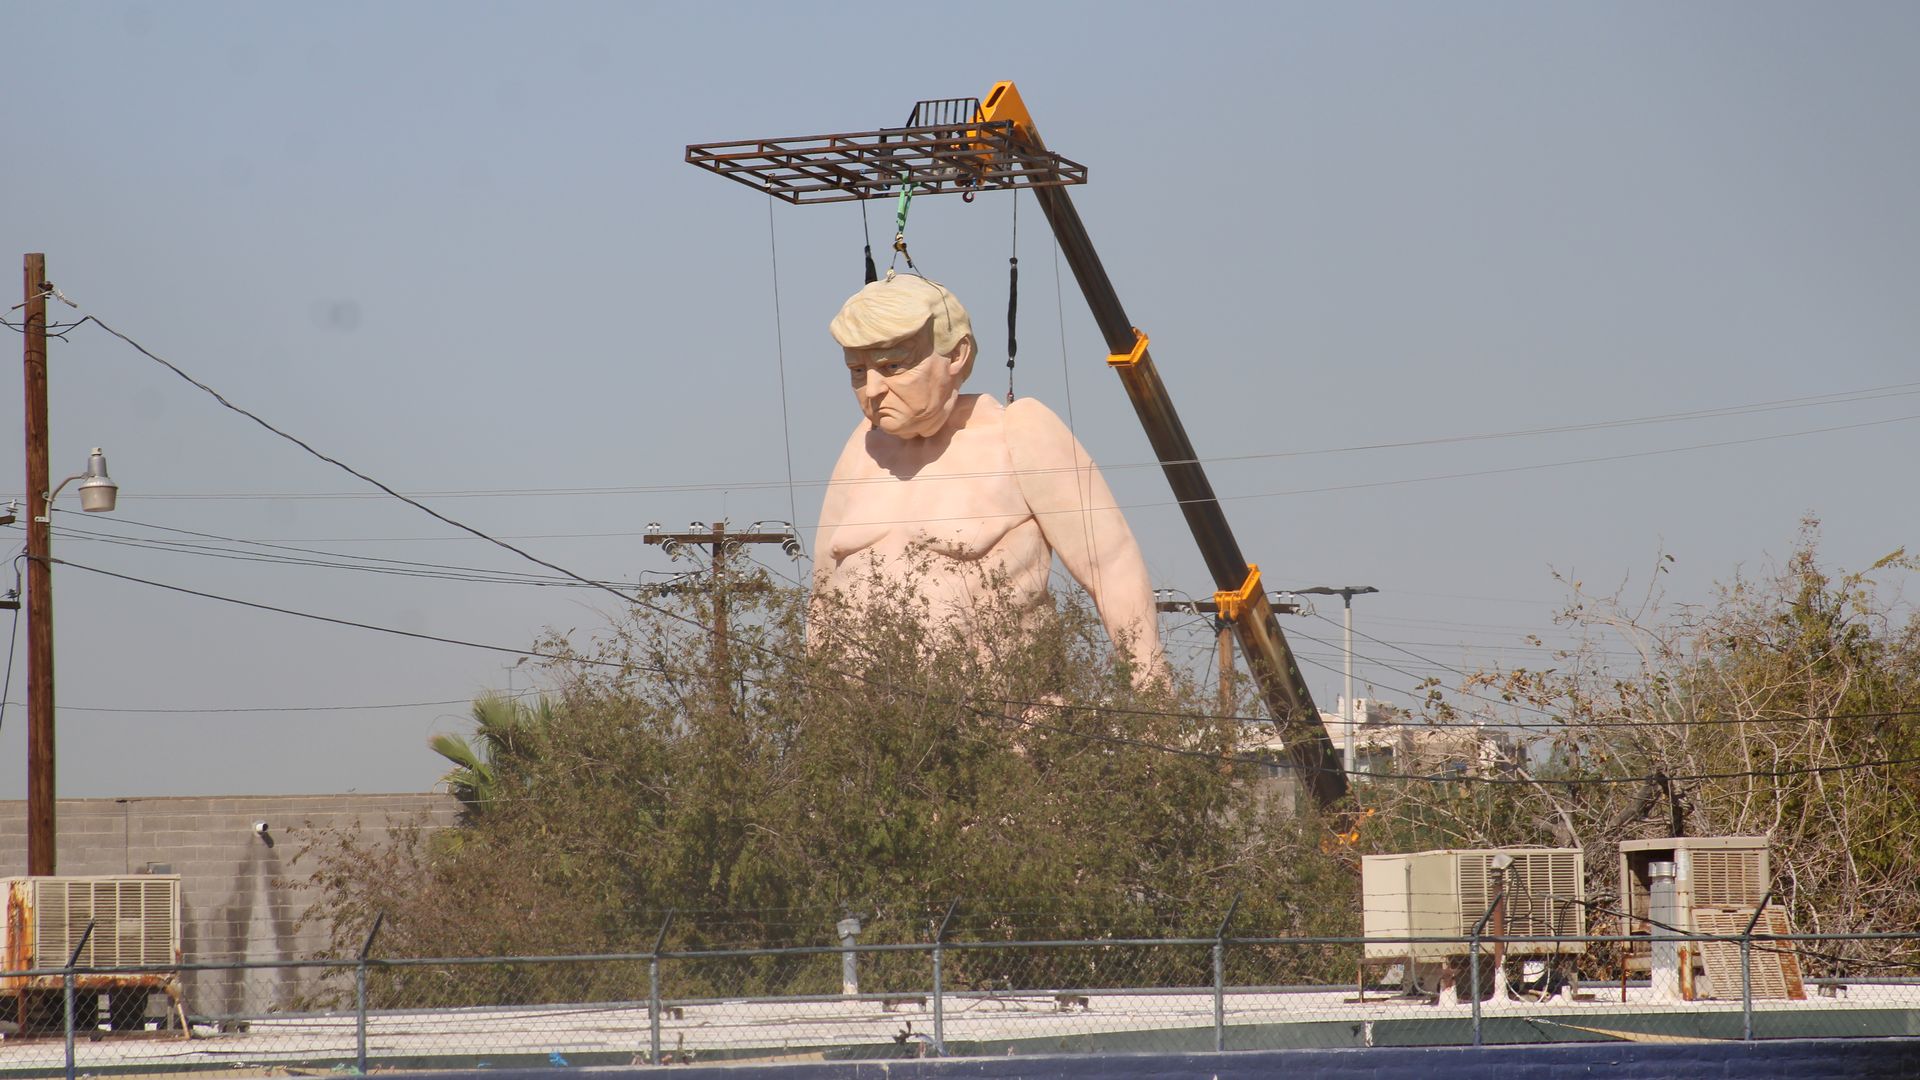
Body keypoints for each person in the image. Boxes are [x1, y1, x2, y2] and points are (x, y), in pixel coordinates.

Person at [812, 275, 1163, 678]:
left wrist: (1154, 702)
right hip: (866, 730)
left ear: (957, 354)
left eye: (892, 366)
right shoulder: (863, 449)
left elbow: (1113, 568)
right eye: (857, 371)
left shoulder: (1019, 433)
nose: (872, 390)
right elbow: (822, 600)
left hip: (1005, 728)